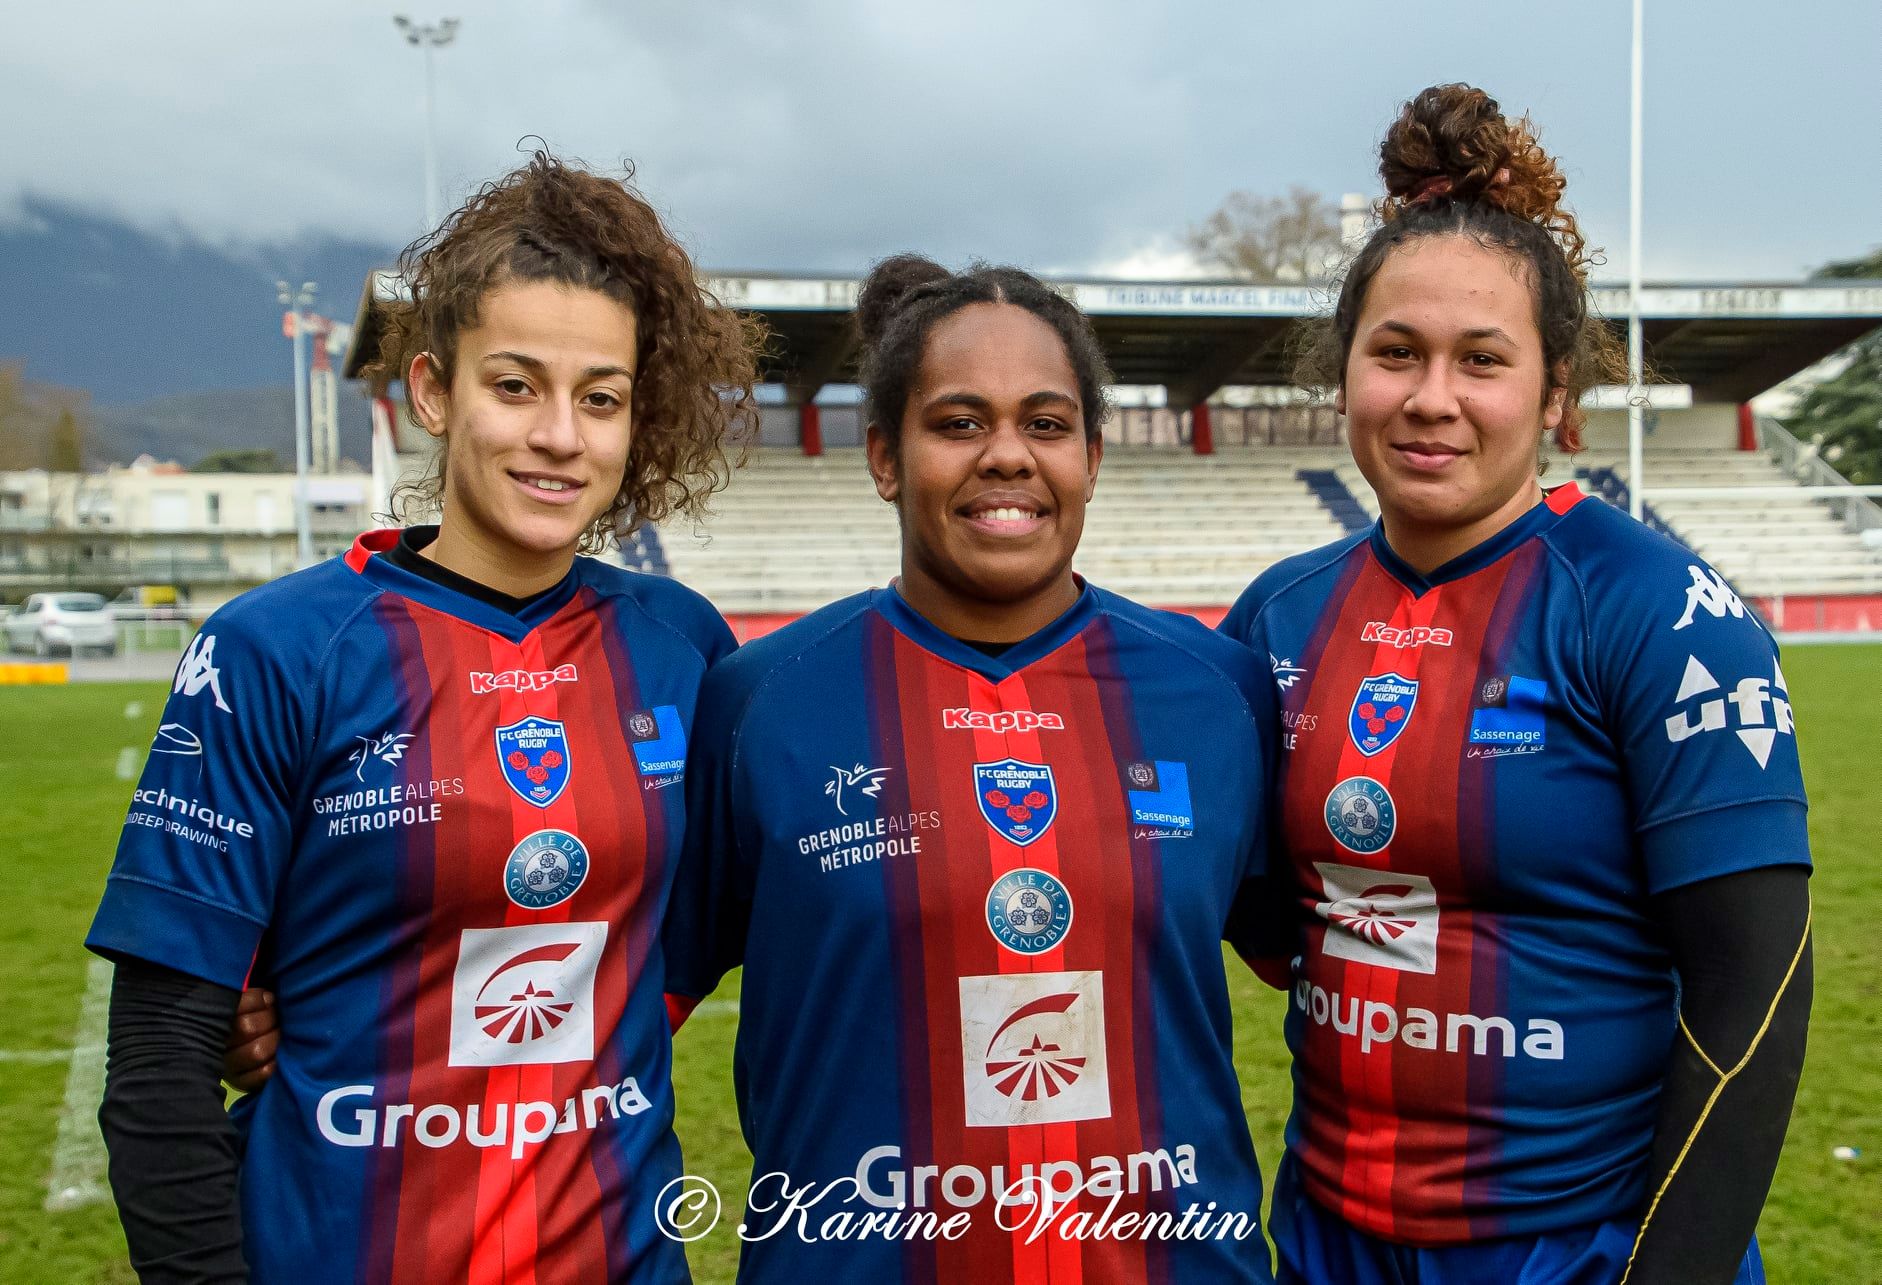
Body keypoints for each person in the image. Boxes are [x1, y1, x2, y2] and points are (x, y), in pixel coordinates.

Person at [88, 152, 761, 1283]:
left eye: (599, 397)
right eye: (515, 385)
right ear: (434, 391)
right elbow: (158, 1059)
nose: (560, 434)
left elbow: (707, 929)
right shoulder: (276, 648)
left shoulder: (682, 645)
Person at [1220, 85, 1811, 1285]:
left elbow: (1756, 990)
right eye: (1395, 353)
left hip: (1585, 1254)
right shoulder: (1276, 615)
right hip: (1328, 1245)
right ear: (1343, 377)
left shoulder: (1655, 607)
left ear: (1552, 397)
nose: (1430, 397)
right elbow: (1253, 911)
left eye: (1480, 360)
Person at [661, 255, 1282, 1282]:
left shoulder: (1219, 693)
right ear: (883, 457)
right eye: (957, 422)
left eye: (1045, 423)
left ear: (1091, 451)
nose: (1007, 455)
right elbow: (617, 992)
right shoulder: (756, 703)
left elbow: (1351, 953)